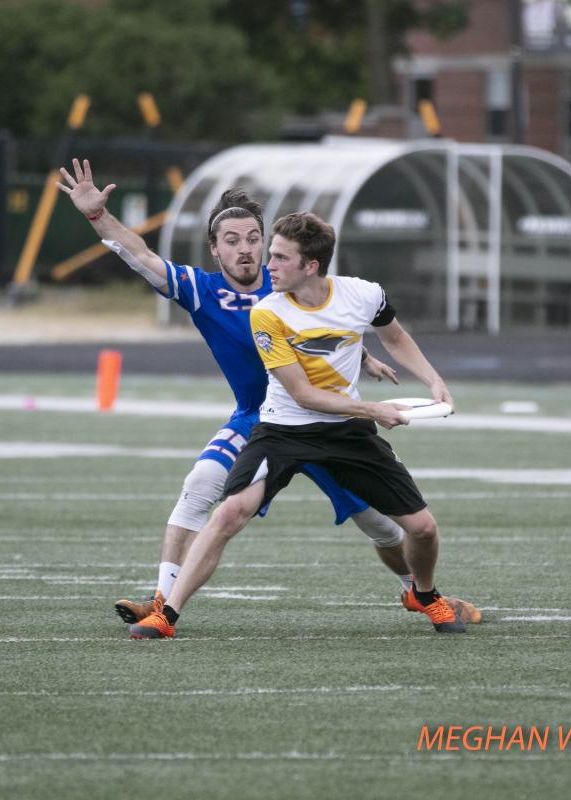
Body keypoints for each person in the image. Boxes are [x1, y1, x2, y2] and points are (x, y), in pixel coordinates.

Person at [56, 159, 480, 626]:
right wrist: (98, 215)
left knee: (380, 524)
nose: (246, 250)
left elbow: (327, 321)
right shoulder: (202, 290)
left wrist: (362, 355)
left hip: (332, 419)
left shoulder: (288, 281)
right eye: (231, 240)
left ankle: (416, 591)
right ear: (214, 249)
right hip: (261, 419)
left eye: (253, 239)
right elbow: (140, 255)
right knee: (201, 485)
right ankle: (163, 600)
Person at [129, 210, 467, 639]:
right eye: (270, 254)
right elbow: (303, 394)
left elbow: (395, 336)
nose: (267, 265)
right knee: (229, 512)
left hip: (345, 432)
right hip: (283, 429)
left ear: (311, 265)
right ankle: (166, 614)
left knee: (422, 528)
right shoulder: (268, 312)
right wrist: (375, 410)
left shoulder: (364, 295)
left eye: (280, 257)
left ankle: (425, 594)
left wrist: (433, 380)